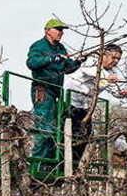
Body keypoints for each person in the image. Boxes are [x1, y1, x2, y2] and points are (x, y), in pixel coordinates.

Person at [26, 18, 85, 161]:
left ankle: (50, 162)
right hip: (42, 89)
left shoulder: (61, 48)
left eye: (62, 30)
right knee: (45, 127)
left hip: (56, 92)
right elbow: (31, 63)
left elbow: (67, 68)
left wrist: (78, 62)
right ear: (47, 31)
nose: (61, 33)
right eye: (58, 30)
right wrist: (51, 59)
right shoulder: (39, 46)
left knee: (56, 128)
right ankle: (38, 161)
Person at [68, 43, 127, 167]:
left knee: (86, 134)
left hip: (86, 107)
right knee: (73, 133)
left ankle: (75, 164)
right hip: (71, 102)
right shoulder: (91, 64)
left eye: (118, 59)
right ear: (103, 55)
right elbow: (89, 72)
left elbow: (115, 90)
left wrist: (123, 93)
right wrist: (107, 78)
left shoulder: (111, 72)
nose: (116, 61)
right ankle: (66, 162)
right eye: (113, 57)